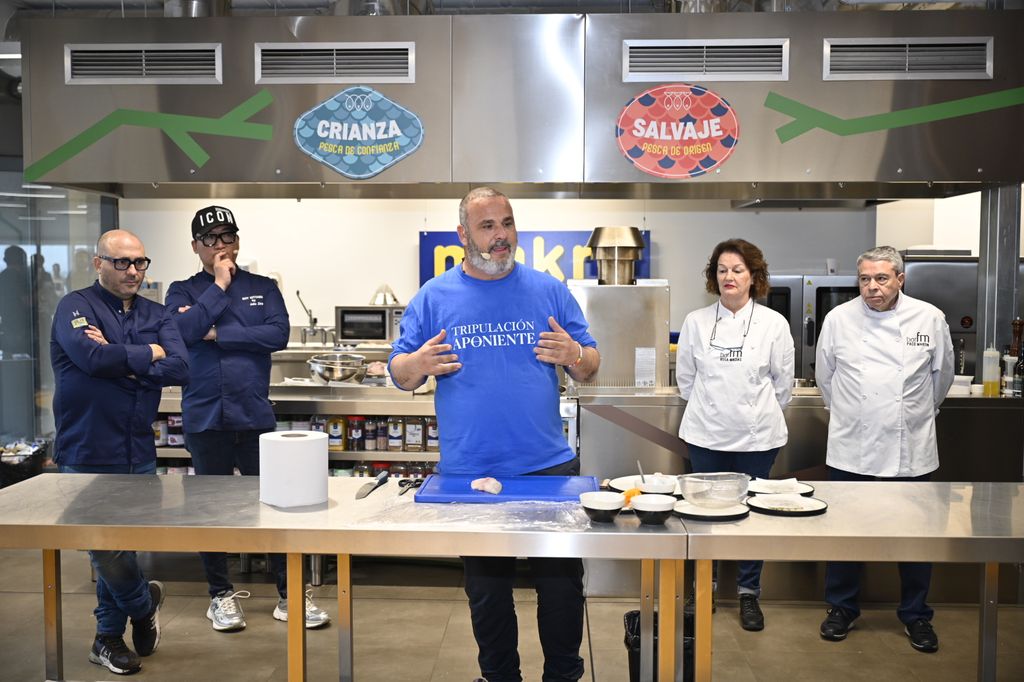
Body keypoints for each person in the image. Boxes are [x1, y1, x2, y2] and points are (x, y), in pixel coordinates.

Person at [389, 187, 600, 682]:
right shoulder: (434, 297)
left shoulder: (548, 289)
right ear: (463, 235)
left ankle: (564, 676)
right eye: (487, 227)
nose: (501, 235)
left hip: (548, 466)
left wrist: (575, 355)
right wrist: (417, 363)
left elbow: (591, 364)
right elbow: (399, 373)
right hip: (471, 472)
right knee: (487, 595)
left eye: (506, 223)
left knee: (562, 590)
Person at [165, 205, 329, 632]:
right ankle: (219, 595)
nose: (220, 246)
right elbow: (182, 333)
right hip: (204, 414)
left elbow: (276, 335)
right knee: (209, 511)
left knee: (276, 504)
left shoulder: (263, 287)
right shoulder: (182, 291)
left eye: (227, 237)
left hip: (254, 412)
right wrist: (219, 287)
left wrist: (216, 333)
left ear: (237, 240)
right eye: (210, 239)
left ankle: (289, 594)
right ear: (196, 247)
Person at [50, 229, 189, 675]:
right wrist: (148, 353)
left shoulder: (155, 310)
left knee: (121, 546)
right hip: (86, 447)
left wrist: (118, 356)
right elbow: (90, 361)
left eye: (140, 263)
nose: (133, 272)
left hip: (137, 449)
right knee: (103, 549)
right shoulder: (74, 306)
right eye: (123, 263)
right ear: (98, 263)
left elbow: (181, 366)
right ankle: (143, 603)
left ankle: (107, 639)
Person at [815, 245, 954, 653]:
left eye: (881, 279)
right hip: (852, 447)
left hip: (910, 448)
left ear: (900, 279)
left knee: (915, 539)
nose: (872, 288)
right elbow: (826, 378)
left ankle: (916, 615)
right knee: (845, 535)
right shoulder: (839, 319)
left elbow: (940, 378)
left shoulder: (929, 317)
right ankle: (841, 608)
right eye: (864, 279)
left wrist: (913, 416)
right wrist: (854, 416)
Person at [675, 238, 795, 632]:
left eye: (738, 270)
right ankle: (703, 591)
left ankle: (748, 594)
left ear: (753, 277)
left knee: (752, 518)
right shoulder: (695, 321)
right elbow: (687, 381)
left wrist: (753, 413)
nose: (729, 277)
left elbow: (782, 386)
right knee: (703, 515)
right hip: (706, 435)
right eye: (722, 270)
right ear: (714, 276)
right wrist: (714, 410)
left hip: (757, 437)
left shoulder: (774, 324)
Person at [0, 245, 32, 356]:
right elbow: (27, 301)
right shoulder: (19, 277)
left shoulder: (2, 276)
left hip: (7, 322)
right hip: (21, 325)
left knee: (8, 356)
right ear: (22, 259)